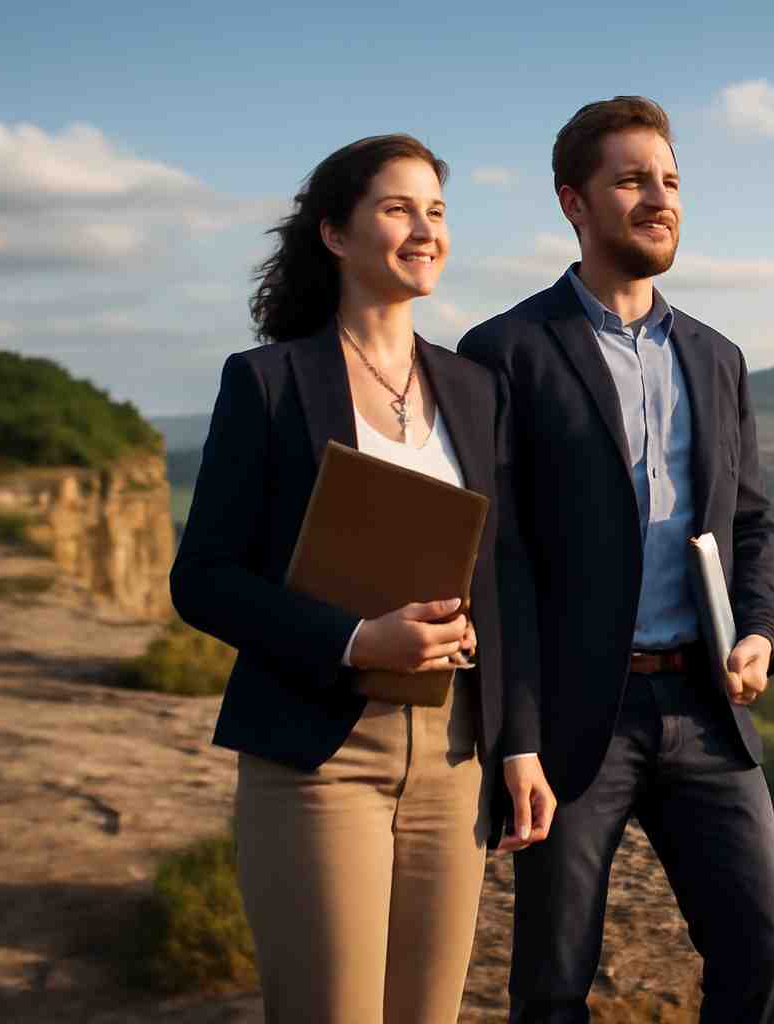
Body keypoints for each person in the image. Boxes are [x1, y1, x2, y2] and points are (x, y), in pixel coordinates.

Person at [169, 134, 553, 1024]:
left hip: (456, 759)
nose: (425, 230)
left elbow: (505, 578)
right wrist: (354, 640)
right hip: (318, 759)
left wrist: (519, 741)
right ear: (335, 236)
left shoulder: (475, 387)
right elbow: (204, 578)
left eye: (437, 211)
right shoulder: (267, 381)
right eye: (397, 208)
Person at [459, 96, 774, 1024]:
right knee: (554, 981)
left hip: (703, 705)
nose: (660, 198)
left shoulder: (717, 356)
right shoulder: (506, 351)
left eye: (672, 180)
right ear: (574, 202)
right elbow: (497, 564)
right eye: (633, 180)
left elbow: (753, 525)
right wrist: (514, 734)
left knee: (762, 948)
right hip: (574, 720)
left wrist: (760, 630)